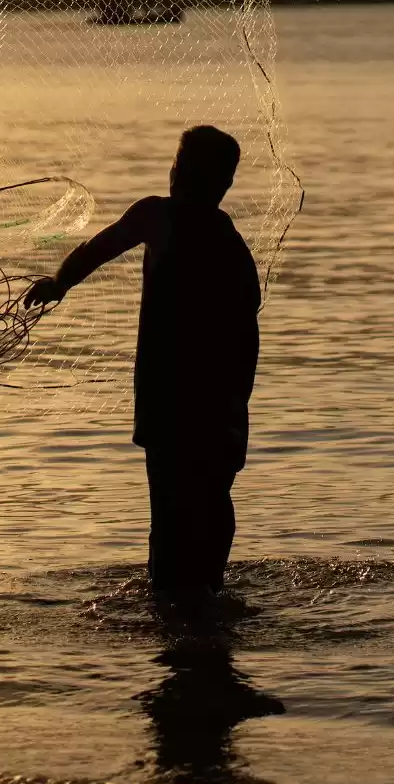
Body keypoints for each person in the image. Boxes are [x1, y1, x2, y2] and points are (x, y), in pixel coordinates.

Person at [25, 125, 260, 595]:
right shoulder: (228, 238)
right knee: (213, 500)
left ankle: (169, 600)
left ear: (179, 172)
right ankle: (208, 594)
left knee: (169, 508)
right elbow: (247, 324)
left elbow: (98, 248)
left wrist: (59, 283)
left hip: (170, 398)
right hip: (221, 402)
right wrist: (237, 403)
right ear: (225, 184)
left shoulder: (159, 215)